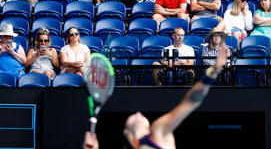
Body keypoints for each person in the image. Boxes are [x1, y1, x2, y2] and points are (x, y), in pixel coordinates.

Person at [84, 39, 230, 149]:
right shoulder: (150, 136)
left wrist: (215, 69)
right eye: (134, 117)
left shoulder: (158, 132)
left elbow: (192, 101)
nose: (138, 113)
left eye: (139, 115)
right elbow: (191, 101)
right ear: (126, 134)